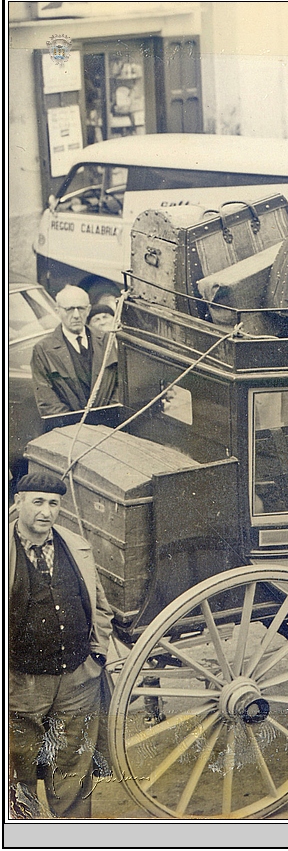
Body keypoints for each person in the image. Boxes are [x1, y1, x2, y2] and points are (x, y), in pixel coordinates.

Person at [9, 470, 115, 818]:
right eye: (37, 502)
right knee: (16, 769)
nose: (46, 511)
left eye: (53, 504)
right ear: (18, 502)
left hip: (77, 679)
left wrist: (97, 654)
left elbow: (100, 605)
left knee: (71, 769)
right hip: (20, 682)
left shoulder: (75, 547)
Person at [32, 286, 118, 418]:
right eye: (69, 309)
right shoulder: (44, 349)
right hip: (69, 431)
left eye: (81, 308)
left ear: (88, 309)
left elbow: (120, 385)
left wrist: (107, 418)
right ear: (58, 311)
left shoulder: (106, 339)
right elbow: (47, 402)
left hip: (108, 426)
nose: (76, 315)